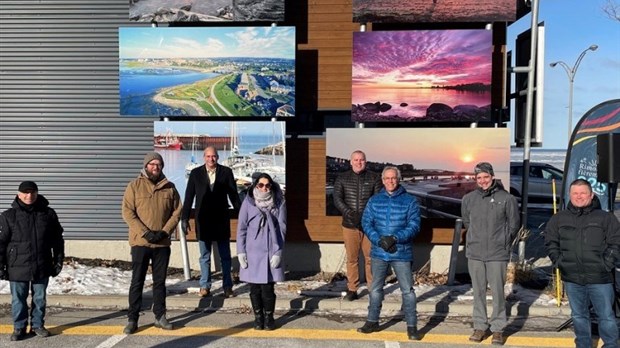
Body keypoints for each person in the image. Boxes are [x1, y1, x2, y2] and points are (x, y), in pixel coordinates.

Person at [545, 179, 620, 348]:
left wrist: (606, 263)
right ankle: (583, 345)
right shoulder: (559, 218)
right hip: (572, 278)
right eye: (575, 193)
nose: (579, 197)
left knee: (606, 316)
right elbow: (550, 241)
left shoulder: (605, 217)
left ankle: (611, 345)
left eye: (583, 193)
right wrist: (559, 262)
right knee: (579, 315)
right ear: (569, 195)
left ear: (591, 195)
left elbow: (616, 242)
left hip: (600, 277)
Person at [357, 166, 422, 341]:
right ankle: (372, 321)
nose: (390, 181)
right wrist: (378, 240)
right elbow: (366, 223)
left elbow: (414, 225)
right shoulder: (374, 200)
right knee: (376, 289)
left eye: (393, 178)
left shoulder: (410, 201)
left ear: (399, 179)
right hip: (379, 252)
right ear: (382, 180)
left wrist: (395, 238)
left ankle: (412, 326)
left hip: (401, 252)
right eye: (387, 178)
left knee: (407, 291)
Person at [121, 152, 182, 334]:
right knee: (137, 281)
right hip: (141, 243)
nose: (155, 167)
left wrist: (164, 231)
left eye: (158, 164)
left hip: (162, 244)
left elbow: (177, 211)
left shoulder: (170, 188)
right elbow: (127, 212)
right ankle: (133, 319)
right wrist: (145, 232)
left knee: (160, 282)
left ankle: (160, 316)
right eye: (152, 164)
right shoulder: (134, 186)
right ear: (146, 166)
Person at [461, 162, 519, 346]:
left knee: (498, 293)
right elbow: (467, 222)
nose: (483, 181)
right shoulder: (469, 199)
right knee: (478, 291)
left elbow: (514, 225)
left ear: (492, 177)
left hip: (497, 253)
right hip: (475, 253)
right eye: (479, 178)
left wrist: (502, 242)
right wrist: (474, 239)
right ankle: (479, 326)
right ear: (475, 179)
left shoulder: (506, 198)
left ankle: (497, 329)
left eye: (486, 177)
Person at [0, 181, 65, 341]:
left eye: (32, 192)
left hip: (41, 264)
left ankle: (37, 325)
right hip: (17, 266)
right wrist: (1, 266)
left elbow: (57, 240)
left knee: (39, 298)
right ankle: (19, 328)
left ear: (37, 194)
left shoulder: (48, 214)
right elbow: (1, 243)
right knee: (18, 300)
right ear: (19, 194)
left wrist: (58, 260)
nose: (29, 196)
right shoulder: (8, 216)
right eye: (25, 193)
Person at [182, 146, 241, 298]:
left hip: (221, 219)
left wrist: (242, 214)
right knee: (205, 256)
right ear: (204, 157)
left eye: (213, 156)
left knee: (225, 257)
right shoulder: (195, 173)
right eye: (208, 156)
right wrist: (184, 217)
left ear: (218, 157)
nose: (211, 159)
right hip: (203, 220)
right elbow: (189, 197)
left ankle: (227, 286)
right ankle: (205, 286)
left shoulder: (226, 172)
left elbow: (234, 196)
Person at [236, 173, 287, 331]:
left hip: (271, 250)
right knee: (254, 289)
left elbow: (282, 229)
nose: (264, 188)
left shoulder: (279, 202)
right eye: (261, 185)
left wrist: (278, 252)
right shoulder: (248, 202)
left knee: (268, 288)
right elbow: (241, 228)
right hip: (252, 252)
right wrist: (241, 252)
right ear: (255, 186)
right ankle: (258, 318)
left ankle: (269, 317)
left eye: (267, 185)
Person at [333, 150, 382, 301]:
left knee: (370, 258)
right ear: (351, 161)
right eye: (356, 160)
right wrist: (349, 213)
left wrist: (366, 216)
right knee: (352, 259)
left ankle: (372, 288)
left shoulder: (374, 178)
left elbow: (377, 200)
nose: (359, 162)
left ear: (365, 161)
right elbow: (337, 199)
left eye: (362, 160)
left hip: (369, 226)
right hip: (349, 225)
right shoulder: (342, 178)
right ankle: (352, 288)